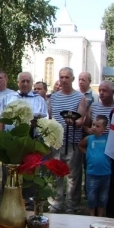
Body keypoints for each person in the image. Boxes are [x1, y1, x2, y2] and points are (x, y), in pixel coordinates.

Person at [0, 72, 48, 208]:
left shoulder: (40, 100)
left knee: (29, 172)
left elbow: (45, 122)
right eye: (22, 81)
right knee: (9, 172)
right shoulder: (8, 98)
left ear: (32, 83)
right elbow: (1, 120)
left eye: (28, 81)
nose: (25, 84)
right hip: (10, 142)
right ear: (18, 82)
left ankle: (29, 203)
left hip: (30, 142)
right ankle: (8, 202)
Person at [48, 67, 87, 214]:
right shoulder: (54, 97)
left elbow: (81, 119)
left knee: (73, 176)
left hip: (73, 142)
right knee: (55, 173)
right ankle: (55, 203)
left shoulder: (79, 97)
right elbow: (51, 118)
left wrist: (74, 123)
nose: (63, 80)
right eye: (61, 77)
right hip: (56, 142)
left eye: (66, 77)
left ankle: (72, 205)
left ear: (72, 79)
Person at [78, 115, 111, 217]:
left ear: (104, 128)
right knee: (91, 196)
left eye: (98, 126)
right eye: (93, 125)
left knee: (103, 197)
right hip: (92, 173)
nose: (94, 127)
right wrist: (87, 153)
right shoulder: (89, 139)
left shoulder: (108, 139)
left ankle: (100, 215)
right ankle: (92, 215)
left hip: (105, 173)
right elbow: (80, 145)